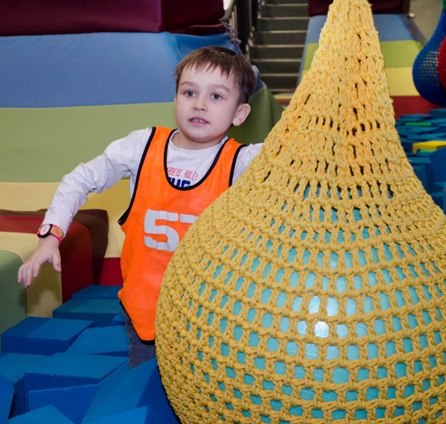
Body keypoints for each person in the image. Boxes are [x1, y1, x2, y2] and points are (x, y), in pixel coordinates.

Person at [17, 45, 262, 367]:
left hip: (210, 318)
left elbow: (304, 157)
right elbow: (79, 180)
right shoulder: (142, 147)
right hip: (146, 312)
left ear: (239, 114)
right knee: (146, 387)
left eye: (216, 96)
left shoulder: (243, 161)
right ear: (175, 98)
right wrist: (50, 236)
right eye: (189, 92)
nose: (199, 104)